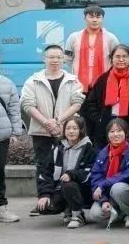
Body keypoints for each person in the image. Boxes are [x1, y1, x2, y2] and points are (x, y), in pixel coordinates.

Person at [21, 44, 85, 210]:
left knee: (66, 165)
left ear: (63, 59)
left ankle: (62, 201)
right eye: (51, 57)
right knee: (43, 165)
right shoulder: (33, 80)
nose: (55, 60)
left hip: (66, 131)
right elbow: (28, 105)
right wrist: (46, 123)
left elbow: (77, 103)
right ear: (44, 59)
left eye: (58, 57)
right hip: (40, 131)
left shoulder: (72, 80)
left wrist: (57, 121)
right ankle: (43, 198)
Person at [33, 116, 96, 228]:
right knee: (44, 208)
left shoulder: (88, 148)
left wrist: (71, 174)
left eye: (75, 128)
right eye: (68, 128)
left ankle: (78, 215)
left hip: (83, 190)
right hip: (60, 189)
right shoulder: (58, 148)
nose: (71, 131)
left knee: (68, 183)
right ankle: (68, 209)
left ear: (81, 130)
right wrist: (45, 194)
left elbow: (89, 173)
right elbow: (45, 171)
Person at [83, 45, 129, 151]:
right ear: (111, 59)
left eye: (124, 56)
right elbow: (91, 102)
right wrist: (99, 119)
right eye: (117, 56)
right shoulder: (103, 79)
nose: (121, 59)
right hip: (105, 125)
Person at [87, 118, 129, 228]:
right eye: (112, 131)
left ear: (126, 133)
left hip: (128, 192)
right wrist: (103, 200)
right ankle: (120, 213)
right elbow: (96, 176)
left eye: (119, 131)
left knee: (118, 188)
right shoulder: (104, 152)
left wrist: (104, 184)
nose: (115, 134)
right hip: (108, 193)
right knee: (95, 214)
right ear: (108, 135)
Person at [64, 4, 121, 91]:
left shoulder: (111, 38)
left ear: (102, 19)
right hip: (78, 85)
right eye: (91, 17)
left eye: (98, 17)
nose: (94, 20)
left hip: (103, 85)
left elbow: (117, 58)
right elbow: (68, 59)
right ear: (85, 18)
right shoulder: (74, 37)